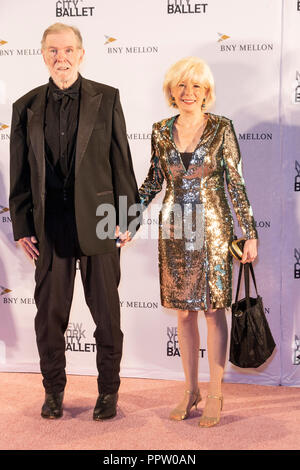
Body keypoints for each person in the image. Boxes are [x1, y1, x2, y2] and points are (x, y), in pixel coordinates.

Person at [9, 23, 140, 420]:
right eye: (53, 50)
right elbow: (18, 176)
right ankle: (53, 392)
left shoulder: (107, 98)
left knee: (107, 315)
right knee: (49, 317)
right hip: (49, 226)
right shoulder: (24, 106)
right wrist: (21, 227)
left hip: (101, 220)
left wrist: (129, 218)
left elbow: (122, 162)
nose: (61, 57)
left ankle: (109, 393)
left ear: (81, 54)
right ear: (43, 54)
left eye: (68, 50)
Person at [138, 57, 258, 427]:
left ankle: (216, 392)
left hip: (213, 227)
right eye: (182, 86)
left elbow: (235, 182)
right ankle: (191, 390)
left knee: (212, 310)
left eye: (197, 87)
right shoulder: (160, 130)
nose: (189, 93)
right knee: (184, 312)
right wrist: (128, 216)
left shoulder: (222, 128)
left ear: (207, 93)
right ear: (171, 91)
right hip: (175, 229)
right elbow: (153, 181)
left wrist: (249, 231)